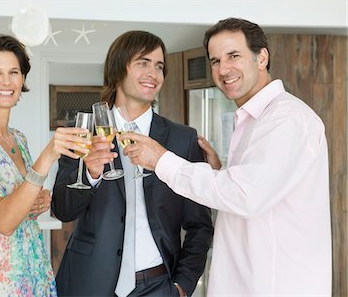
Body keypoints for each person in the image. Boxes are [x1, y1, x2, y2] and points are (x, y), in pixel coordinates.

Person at [121, 18, 332, 296]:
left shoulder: (287, 119)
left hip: (274, 285)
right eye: (215, 60)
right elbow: (251, 190)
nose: (223, 69)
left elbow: (245, 195)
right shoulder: (252, 120)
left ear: (262, 57)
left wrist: (161, 160)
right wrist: (220, 172)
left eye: (234, 55)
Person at [52, 30, 213, 297]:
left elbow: (199, 225)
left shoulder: (182, 139)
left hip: (159, 286)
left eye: (159, 66)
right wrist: (91, 174)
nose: (154, 73)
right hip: (88, 282)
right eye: (143, 62)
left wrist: (183, 285)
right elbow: (63, 209)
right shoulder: (83, 132)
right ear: (118, 69)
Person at [0, 34, 90, 296]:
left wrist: (39, 200)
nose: (7, 82)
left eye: (14, 72)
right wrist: (48, 156)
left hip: (27, 269)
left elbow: (19, 200)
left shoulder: (18, 138)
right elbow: (4, 221)